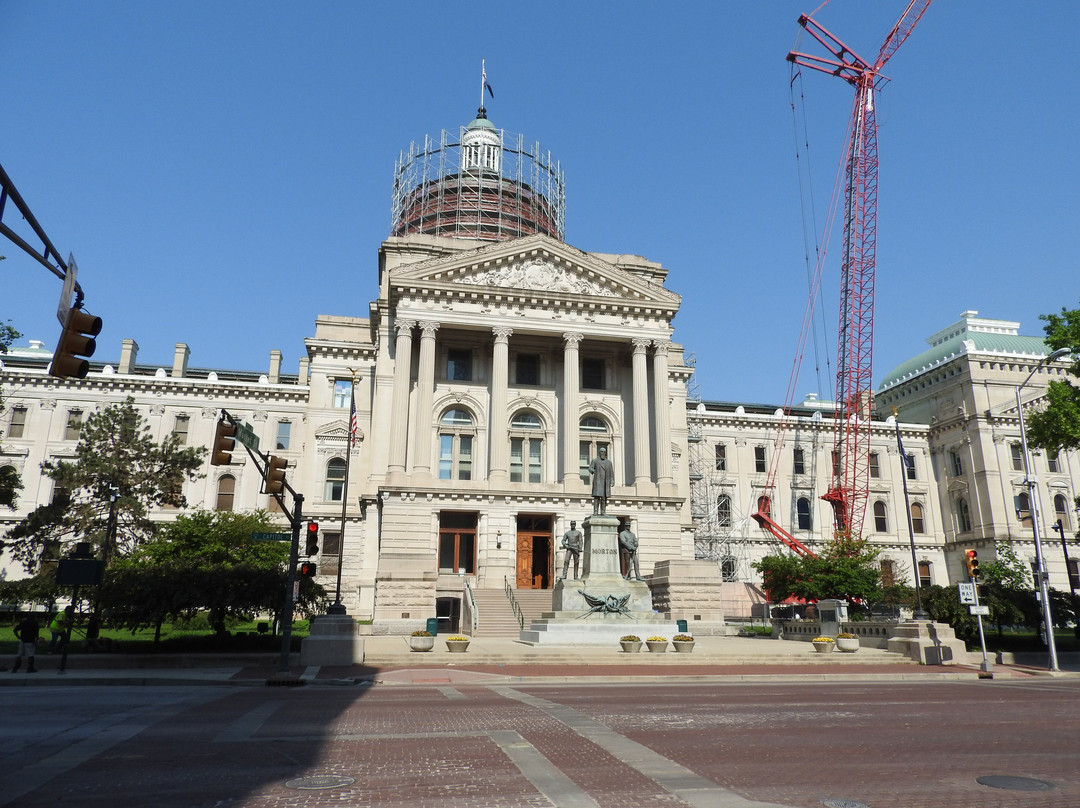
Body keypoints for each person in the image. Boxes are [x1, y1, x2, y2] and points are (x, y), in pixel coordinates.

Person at [588, 446, 614, 515]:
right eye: (601, 451)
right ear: (599, 452)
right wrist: (594, 471)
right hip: (598, 481)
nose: (603, 453)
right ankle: (595, 511)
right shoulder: (595, 461)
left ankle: (603, 511)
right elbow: (590, 468)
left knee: (604, 498)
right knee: (596, 498)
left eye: (604, 452)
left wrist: (612, 480)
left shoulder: (609, 462)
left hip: (606, 482)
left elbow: (611, 472)